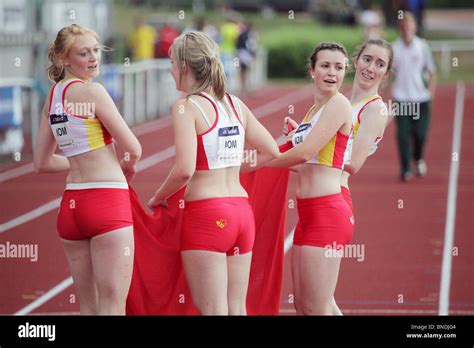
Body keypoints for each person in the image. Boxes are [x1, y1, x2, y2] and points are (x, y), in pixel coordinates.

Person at [147, 31, 279, 315]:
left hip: (207, 216)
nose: (170, 71)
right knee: (237, 308)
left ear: (184, 67)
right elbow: (271, 151)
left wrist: (158, 196)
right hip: (242, 215)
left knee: (213, 310)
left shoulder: (186, 107)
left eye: (171, 63)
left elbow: (184, 169)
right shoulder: (234, 104)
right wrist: (232, 165)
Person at [34, 24, 142, 315]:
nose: (94, 58)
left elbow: (42, 163)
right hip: (107, 201)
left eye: (96, 50)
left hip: (71, 208)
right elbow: (134, 147)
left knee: (89, 307)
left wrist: (82, 157)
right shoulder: (93, 92)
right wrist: (126, 169)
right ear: (63, 59)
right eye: (84, 53)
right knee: (112, 306)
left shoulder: (53, 98)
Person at [271, 42, 354, 315]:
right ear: (312, 71)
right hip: (308, 216)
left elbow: (304, 153)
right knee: (306, 306)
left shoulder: (339, 103)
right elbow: (307, 164)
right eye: (325, 66)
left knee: (317, 308)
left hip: (327, 214)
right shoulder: (312, 113)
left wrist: (255, 165)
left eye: (339, 67)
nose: (332, 73)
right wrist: (297, 134)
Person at [392, 11, 436, 182]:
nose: (407, 29)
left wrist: (431, 92)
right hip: (402, 99)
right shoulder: (394, 48)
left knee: (420, 135)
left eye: (409, 26)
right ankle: (405, 169)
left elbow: (432, 71)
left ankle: (417, 159)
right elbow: (389, 71)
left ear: (415, 27)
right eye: (403, 27)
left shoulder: (423, 46)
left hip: (421, 99)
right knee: (402, 136)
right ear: (400, 29)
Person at [236, 21, 257, 96]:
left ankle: (245, 89)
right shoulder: (248, 35)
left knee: (244, 72)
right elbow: (251, 45)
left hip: (244, 54)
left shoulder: (245, 34)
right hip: (245, 54)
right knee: (246, 72)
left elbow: (239, 45)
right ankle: (245, 89)